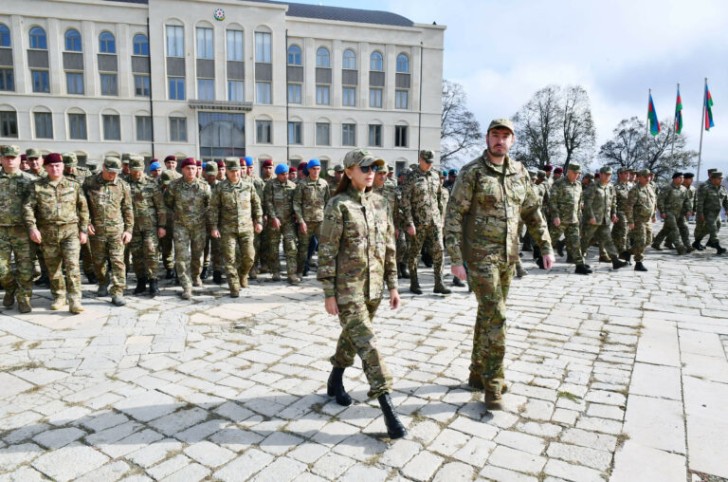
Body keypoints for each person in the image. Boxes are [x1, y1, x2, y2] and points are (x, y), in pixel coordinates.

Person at [445, 119, 555, 411]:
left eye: (506, 136)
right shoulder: (472, 173)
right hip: (480, 257)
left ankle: (477, 372)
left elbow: (532, 211)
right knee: (497, 317)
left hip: (508, 257)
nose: (500, 140)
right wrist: (455, 259)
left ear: (512, 141)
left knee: (488, 314)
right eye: (495, 135)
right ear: (487, 138)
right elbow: (454, 216)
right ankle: (494, 383)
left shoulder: (520, 172)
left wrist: (545, 246)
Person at [318, 148, 406, 439]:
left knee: (352, 336)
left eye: (374, 168)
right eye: (364, 168)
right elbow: (327, 251)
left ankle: (335, 379)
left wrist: (393, 285)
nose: (371, 173)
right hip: (348, 289)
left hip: (374, 288)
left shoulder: (381, 203)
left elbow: (389, 249)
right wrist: (329, 292)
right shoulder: (338, 205)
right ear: (349, 172)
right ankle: (388, 409)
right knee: (368, 344)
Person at [25, 152, 89, 313]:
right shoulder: (37, 186)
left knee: (73, 266)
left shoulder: (73, 185)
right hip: (48, 232)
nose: (55, 169)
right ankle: (59, 296)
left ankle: (75, 299)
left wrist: (83, 230)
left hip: (70, 232)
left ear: (62, 166)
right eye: (51, 166)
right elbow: (28, 208)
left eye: (58, 165)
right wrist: (32, 228)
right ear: (46, 167)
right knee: (53, 268)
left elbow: (83, 208)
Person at [83, 156, 134, 306]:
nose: (113, 175)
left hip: (116, 230)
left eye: (116, 172)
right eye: (110, 171)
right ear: (104, 167)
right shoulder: (89, 182)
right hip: (96, 230)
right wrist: (86, 223)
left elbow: (128, 208)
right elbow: (83, 205)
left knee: (118, 261)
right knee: (98, 261)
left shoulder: (122, 185)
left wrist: (129, 230)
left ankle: (118, 291)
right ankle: (103, 282)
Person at [209, 158, 263, 296]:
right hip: (228, 229)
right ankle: (234, 285)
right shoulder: (220, 188)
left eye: (237, 171)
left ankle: (243, 274)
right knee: (229, 258)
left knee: (250, 257)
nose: (235, 174)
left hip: (246, 228)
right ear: (227, 172)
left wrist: (259, 221)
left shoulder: (248, 186)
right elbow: (214, 208)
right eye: (232, 171)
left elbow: (256, 205)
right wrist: (214, 227)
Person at [401, 149, 450, 295]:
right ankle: (414, 282)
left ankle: (439, 283)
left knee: (439, 250)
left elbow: (439, 198)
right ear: (420, 159)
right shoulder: (411, 177)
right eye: (426, 162)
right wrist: (409, 222)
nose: (429, 165)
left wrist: (441, 219)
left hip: (434, 221)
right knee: (415, 253)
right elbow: (405, 201)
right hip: (418, 223)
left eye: (431, 162)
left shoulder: (435, 175)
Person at [164, 158, 211, 300]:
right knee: (181, 257)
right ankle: (186, 285)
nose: (191, 171)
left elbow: (209, 205)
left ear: (197, 169)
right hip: (181, 226)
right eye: (188, 168)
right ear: (182, 170)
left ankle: (196, 276)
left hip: (199, 227)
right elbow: (168, 203)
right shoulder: (174, 186)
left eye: (193, 168)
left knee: (198, 255)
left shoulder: (204, 187)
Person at [0, 145, 36, 313]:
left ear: (19, 159)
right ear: (1, 159)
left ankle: (24, 298)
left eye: (13, 157)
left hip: (23, 231)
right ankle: (10, 288)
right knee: (2, 269)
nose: (10, 160)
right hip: (1, 231)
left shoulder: (30, 180)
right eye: (6, 157)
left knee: (26, 268)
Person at [127, 155, 166, 297]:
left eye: (139, 169)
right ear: (129, 169)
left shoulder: (151, 184)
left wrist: (162, 226)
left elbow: (160, 206)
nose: (137, 172)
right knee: (136, 254)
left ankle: (153, 281)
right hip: (133, 226)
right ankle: (141, 281)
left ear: (143, 168)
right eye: (134, 169)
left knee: (151, 251)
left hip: (150, 225)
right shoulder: (124, 183)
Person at [580, 167, 629, 268]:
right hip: (592, 220)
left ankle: (615, 260)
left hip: (604, 219)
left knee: (608, 240)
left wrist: (613, 214)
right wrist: (591, 217)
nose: (608, 176)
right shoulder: (593, 186)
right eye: (606, 174)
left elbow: (613, 202)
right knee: (585, 240)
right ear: (601, 174)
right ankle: (579, 261)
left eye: (609, 174)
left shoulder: (610, 187)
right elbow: (587, 204)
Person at [549, 163, 591, 274]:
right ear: (569, 172)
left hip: (574, 219)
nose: (577, 175)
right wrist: (555, 216)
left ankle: (579, 265)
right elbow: (552, 201)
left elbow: (579, 201)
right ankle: (541, 258)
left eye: (578, 173)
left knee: (575, 243)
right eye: (575, 173)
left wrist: (579, 215)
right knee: (550, 241)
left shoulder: (578, 185)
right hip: (561, 219)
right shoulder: (559, 183)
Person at [293, 158, 330, 277]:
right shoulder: (302, 184)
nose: (316, 171)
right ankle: (300, 271)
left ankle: (325, 271)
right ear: (309, 170)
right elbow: (297, 203)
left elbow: (327, 202)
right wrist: (301, 221)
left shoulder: (324, 184)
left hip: (320, 221)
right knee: (303, 247)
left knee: (324, 246)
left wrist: (327, 219)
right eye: (313, 169)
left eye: (318, 169)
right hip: (306, 221)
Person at [263, 164, 299, 284]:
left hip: (289, 222)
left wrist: (297, 215)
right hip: (274, 222)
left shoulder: (293, 186)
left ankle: (292, 274)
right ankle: (275, 271)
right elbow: (268, 202)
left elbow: (296, 203)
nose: (285, 176)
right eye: (283, 174)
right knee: (273, 247)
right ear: (278, 174)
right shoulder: (270, 185)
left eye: (287, 174)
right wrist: (273, 217)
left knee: (291, 247)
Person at [625, 169, 657, 271]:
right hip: (638, 220)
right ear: (639, 177)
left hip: (648, 219)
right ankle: (638, 263)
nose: (648, 178)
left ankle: (628, 252)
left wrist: (653, 215)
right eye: (645, 176)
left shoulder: (650, 188)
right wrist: (630, 221)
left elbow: (653, 202)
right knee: (641, 241)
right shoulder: (635, 190)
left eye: (649, 176)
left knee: (649, 240)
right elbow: (629, 206)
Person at [652, 172, 691, 254]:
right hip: (669, 212)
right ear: (674, 178)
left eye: (683, 178)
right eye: (680, 178)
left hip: (679, 212)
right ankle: (679, 247)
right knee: (674, 229)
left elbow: (687, 201)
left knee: (676, 228)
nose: (682, 179)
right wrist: (662, 211)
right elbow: (660, 200)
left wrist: (688, 210)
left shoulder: (683, 189)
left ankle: (687, 245)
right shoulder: (667, 188)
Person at [695, 171, 728, 254]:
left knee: (714, 227)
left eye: (721, 178)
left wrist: (727, 209)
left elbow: (726, 201)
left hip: (716, 213)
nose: (721, 180)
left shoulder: (722, 189)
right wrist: (700, 214)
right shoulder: (706, 188)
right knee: (713, 228)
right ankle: (718, 247)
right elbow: (700, 203)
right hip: (707, 213)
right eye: (719, 178)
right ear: (713, 179)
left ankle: (697, 242)